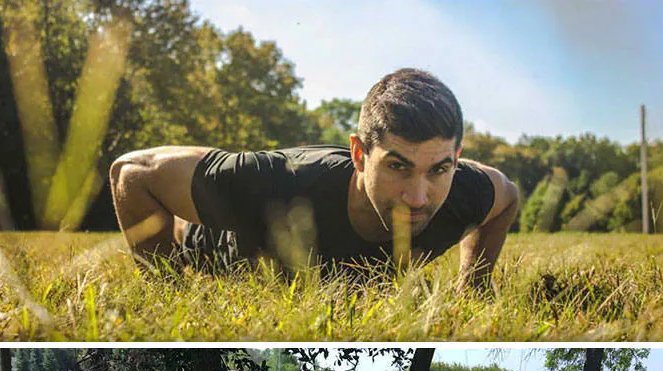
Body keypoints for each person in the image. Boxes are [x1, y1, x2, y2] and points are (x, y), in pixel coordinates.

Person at [110, 68, 518, 290]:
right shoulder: (281, 183)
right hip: (207, 241)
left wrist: (475, 286)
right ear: (360, 154)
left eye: (438, 170)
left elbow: (508, 198)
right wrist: (166, 288)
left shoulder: (467, 192)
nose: (417, 197)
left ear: (456, 158)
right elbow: (132, 173)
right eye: (397, 166)